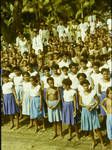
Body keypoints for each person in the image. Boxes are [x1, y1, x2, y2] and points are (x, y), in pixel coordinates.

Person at [79, 80, 104, 149]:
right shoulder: (81, 93)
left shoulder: (93, 92)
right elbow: (80, 103)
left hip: (93, 111)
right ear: (82, 87)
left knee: (96, 128)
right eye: (84, 86)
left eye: (86, 85)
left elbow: (98, 101)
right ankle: (93, 142)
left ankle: (102, 142)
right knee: (89, 128)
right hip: (85, 111)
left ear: (89, 85)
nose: (85, 87)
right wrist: (86, 106)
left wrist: (93, 107)